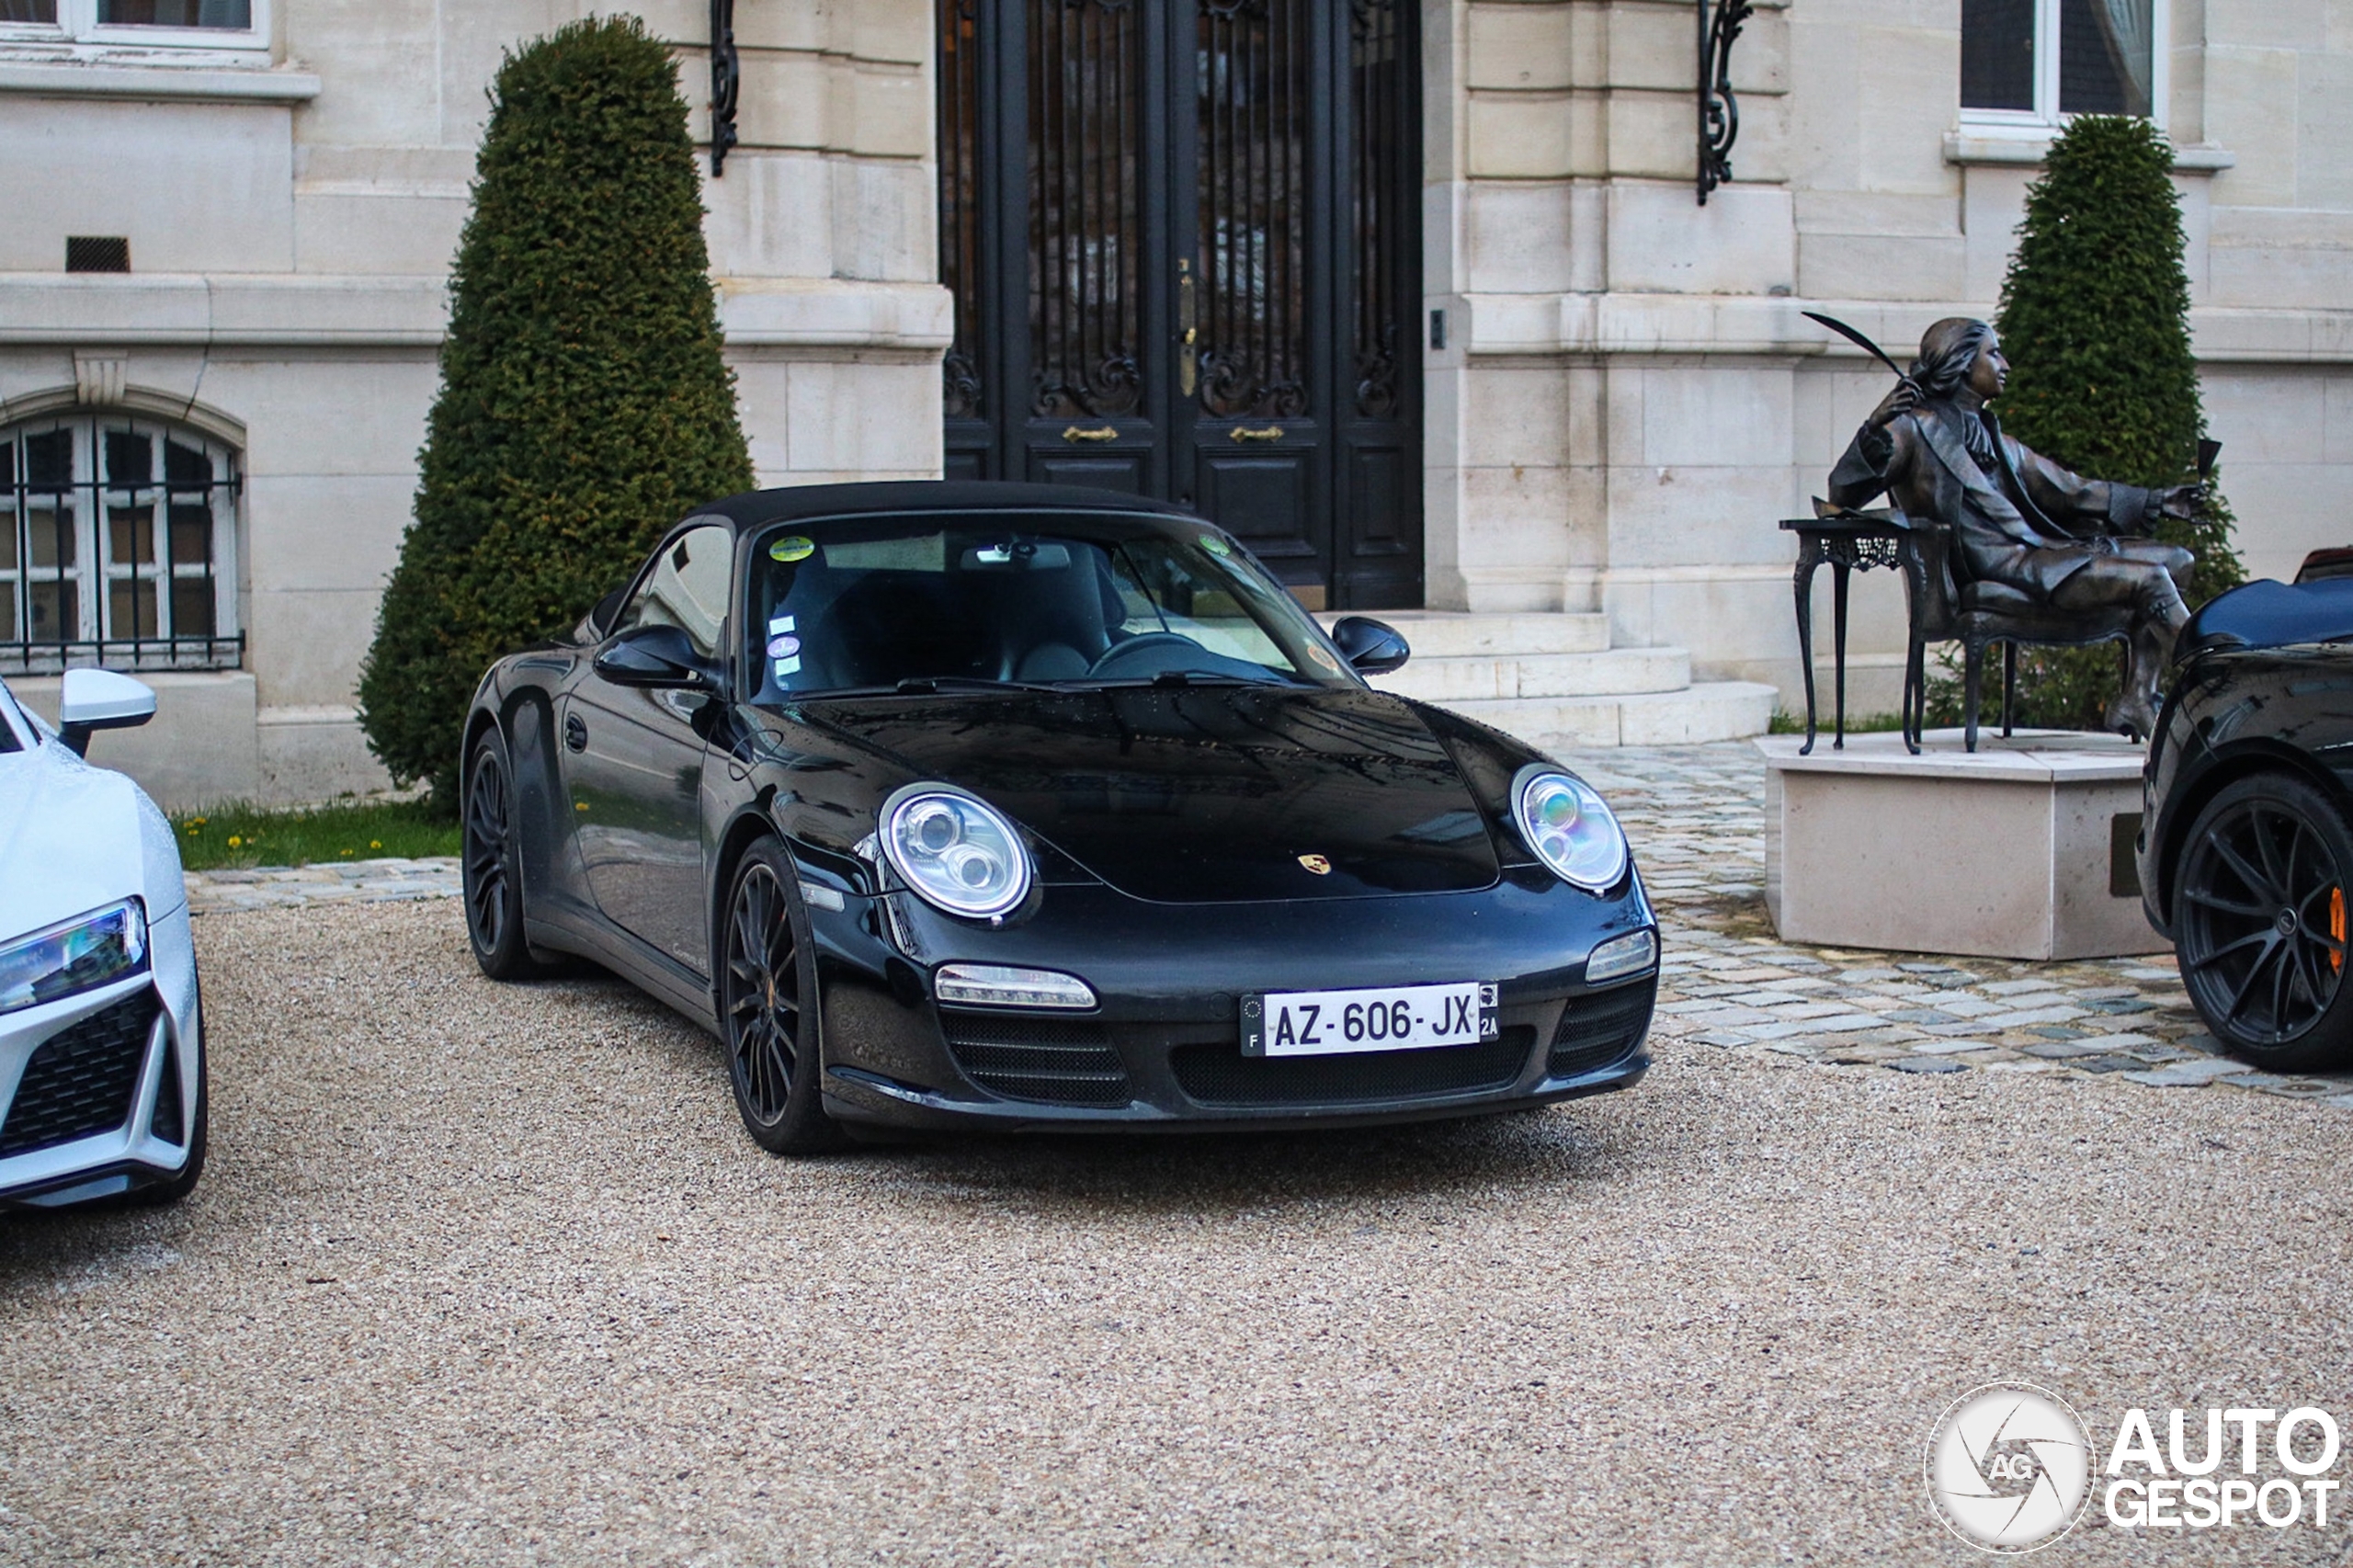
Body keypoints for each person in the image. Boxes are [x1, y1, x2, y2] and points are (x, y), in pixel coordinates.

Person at [1828, 316, 2202, 739]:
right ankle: (2214, 686)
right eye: (1994, 353)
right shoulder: (1912, 428)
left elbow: (2070, 490)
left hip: (2035, 549)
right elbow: (1842, 494)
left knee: (2176, 560)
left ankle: (2138, 695)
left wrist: (2158, 500)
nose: (2005, 363)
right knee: (2151, 579)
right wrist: (1873, 428)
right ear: (1962, 362)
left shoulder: (1992, 436)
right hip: (1998, 565)